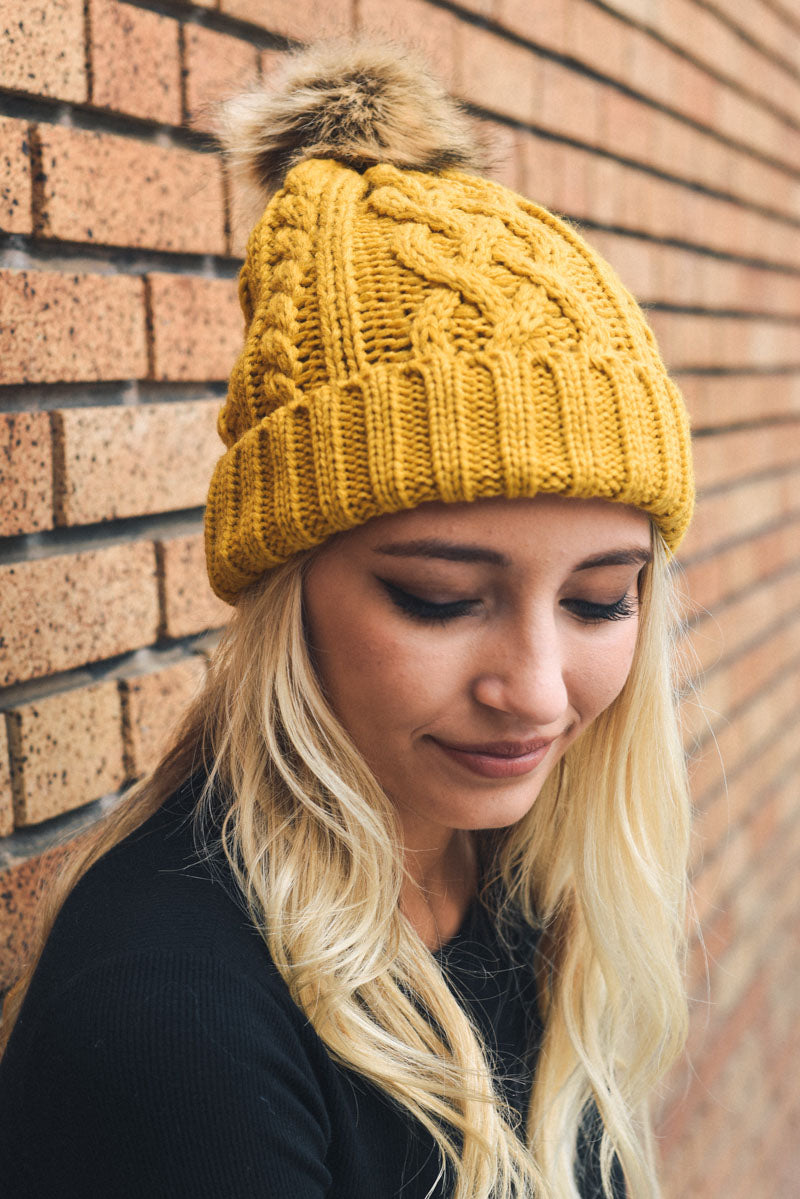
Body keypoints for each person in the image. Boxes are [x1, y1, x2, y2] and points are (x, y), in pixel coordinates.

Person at [0, 38, 695, 1199]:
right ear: (291, 591)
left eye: (597, 598)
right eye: (437, 598)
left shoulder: (508, 882)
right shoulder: (173, 1022)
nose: (534, 686)